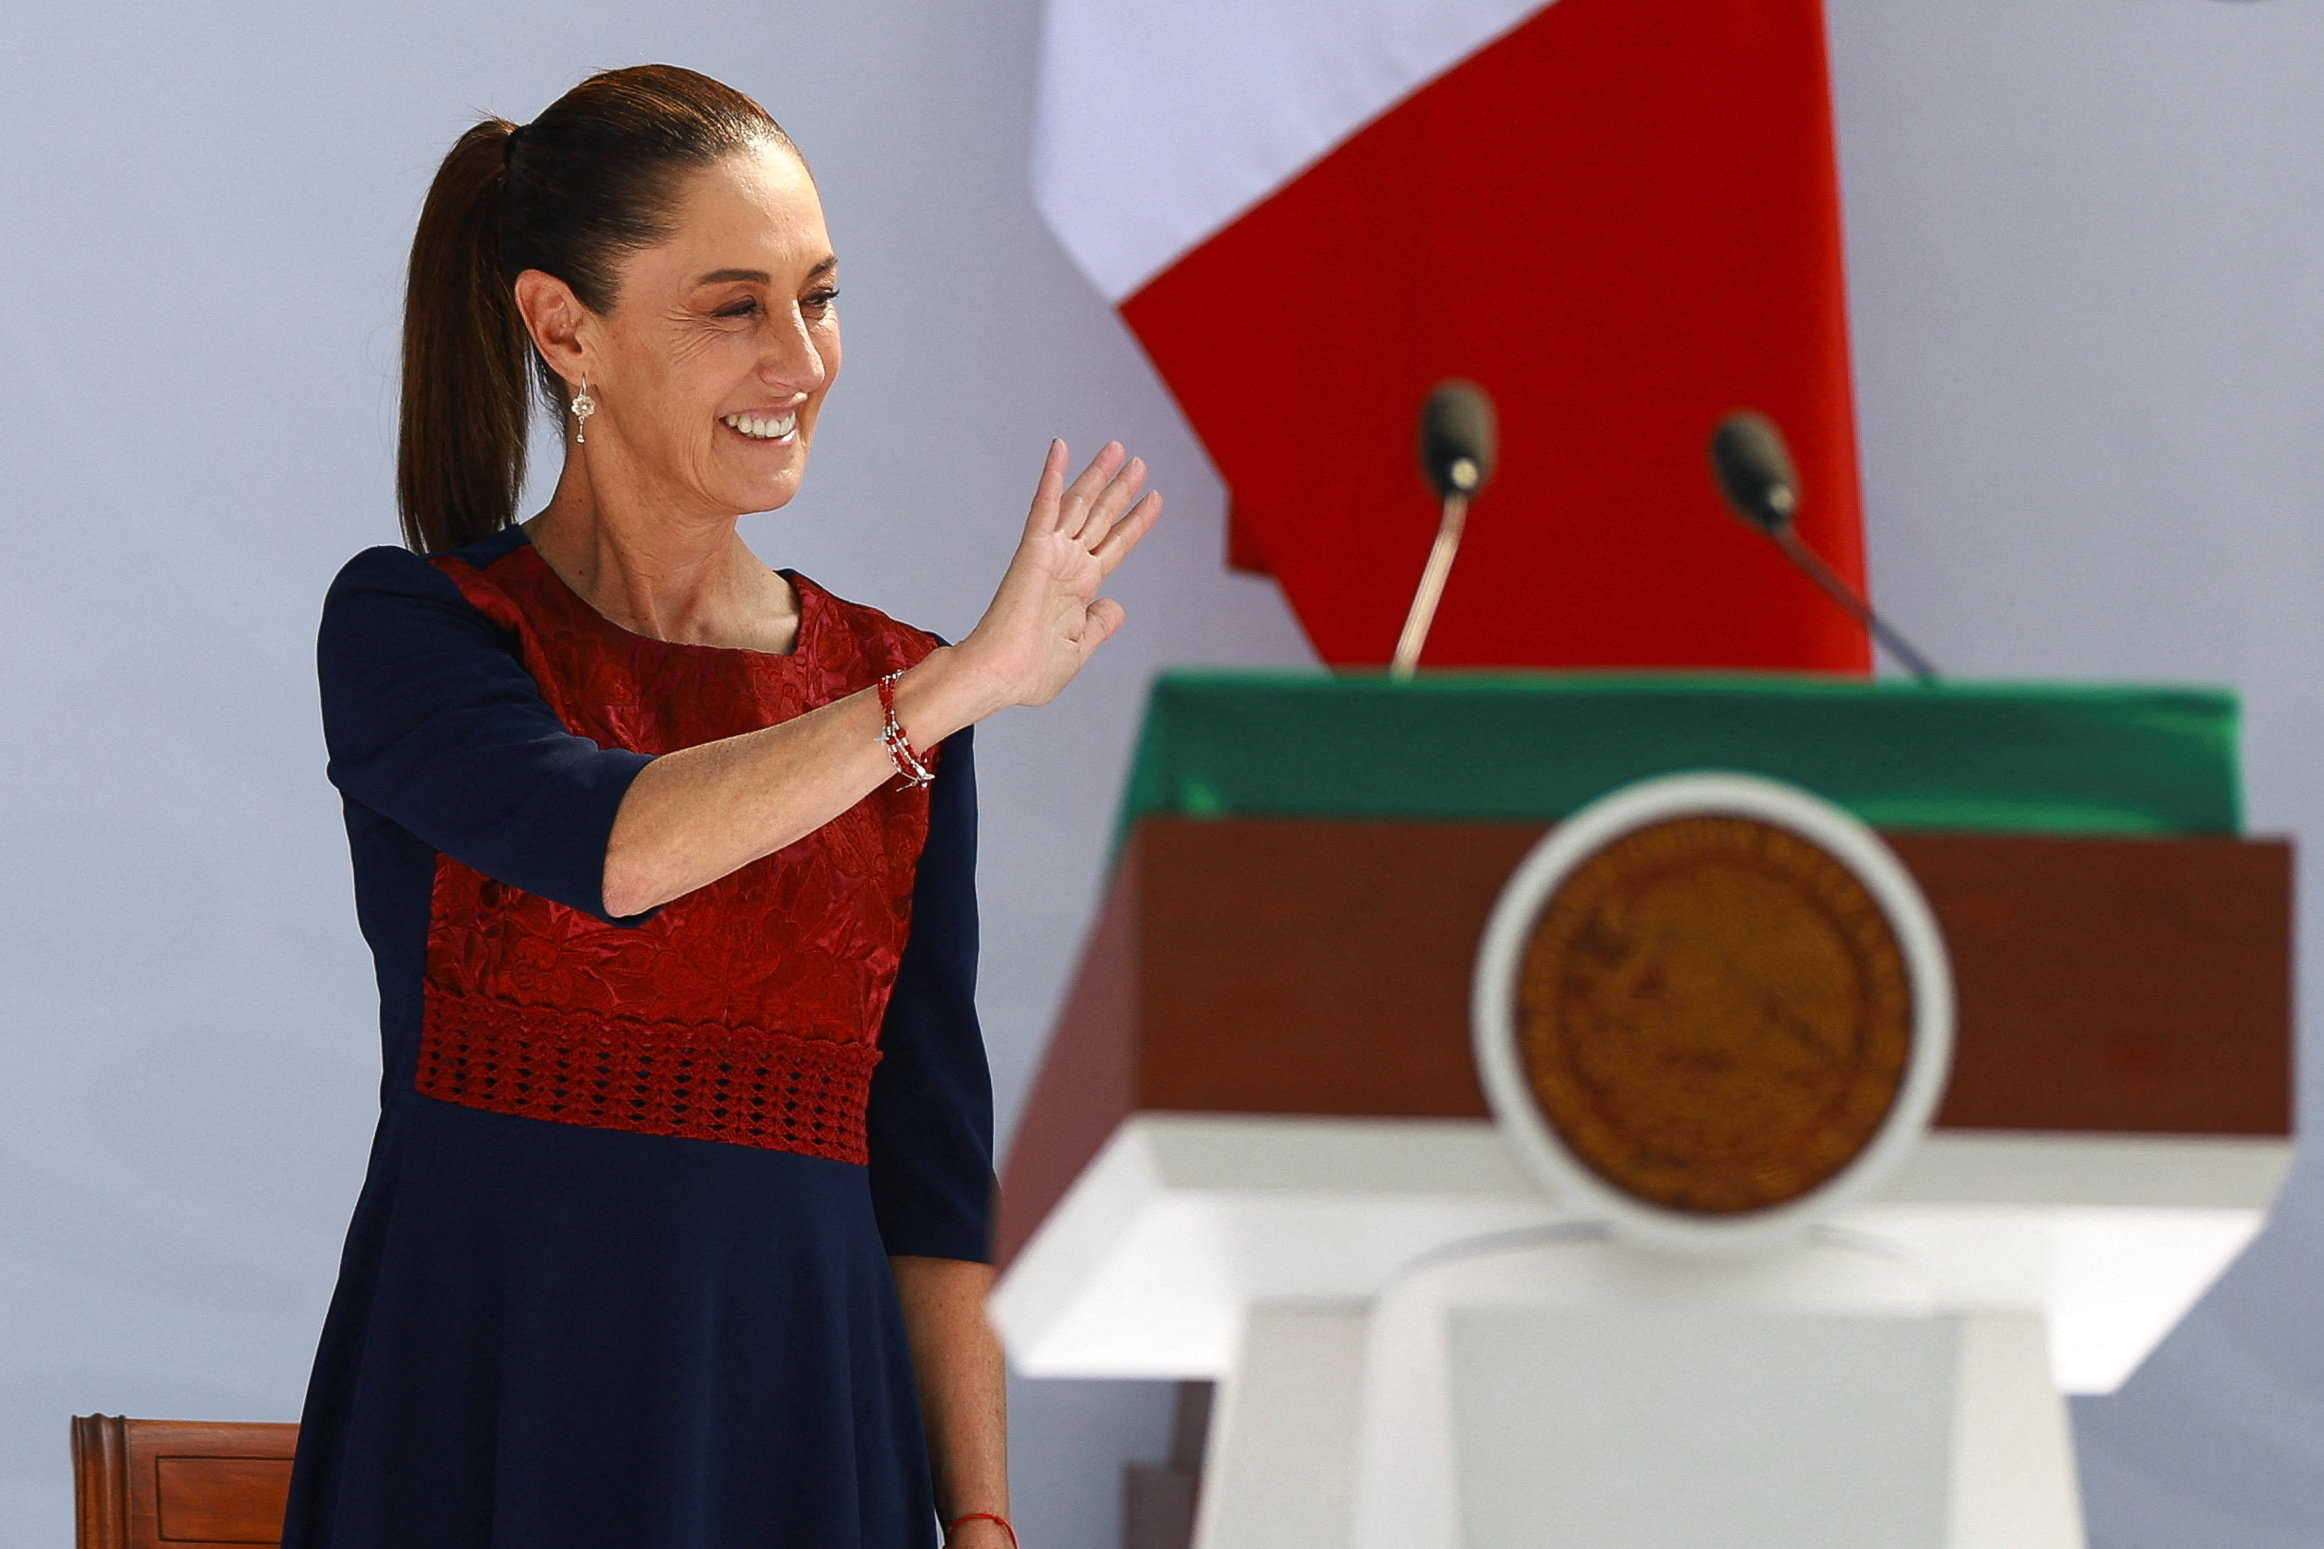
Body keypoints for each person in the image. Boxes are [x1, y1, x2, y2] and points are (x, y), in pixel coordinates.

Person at [281, 63, 1160, 1549]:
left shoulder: (898, 692)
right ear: (566, 327)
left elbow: (931, 1163)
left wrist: (989, 1520)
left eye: (820, 296)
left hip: (805, 1437)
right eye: (733, 306)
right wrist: (948, 697)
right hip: (490, 1410)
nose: (802, 358)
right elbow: (609, 843)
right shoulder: (413, 629)